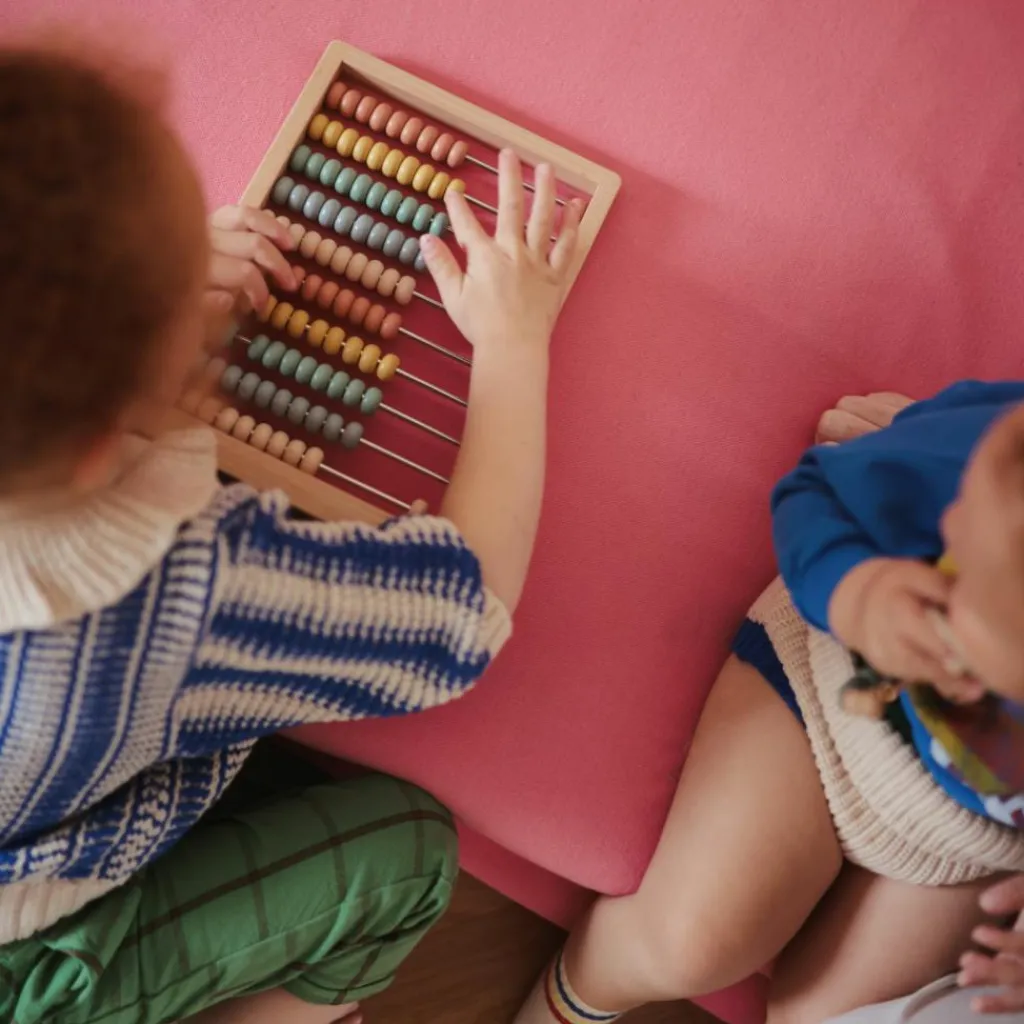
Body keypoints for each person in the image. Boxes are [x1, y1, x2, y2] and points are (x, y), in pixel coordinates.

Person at [0, 41, 582, 1024]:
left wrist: (136, 362)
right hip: (28, 949)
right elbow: (461, 615)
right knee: (404, 857)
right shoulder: (181, 591)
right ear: (106, 441)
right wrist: (514, 344)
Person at [516, 386, 1024, 1024]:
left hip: (968, 849)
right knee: (691, 944)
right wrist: (860, 594)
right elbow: (815, 494)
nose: (948, 535)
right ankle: (580, 994)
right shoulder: (991, 467)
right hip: (822, 707)